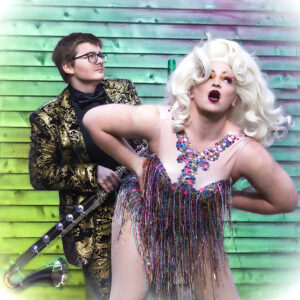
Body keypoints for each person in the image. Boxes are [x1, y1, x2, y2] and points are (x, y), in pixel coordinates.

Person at [83, 38, 298, 300]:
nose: (216, 82)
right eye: (207, 76)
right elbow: (94, 121)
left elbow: (285, 201)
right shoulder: (162, 120)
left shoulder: (245, 151)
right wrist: (137, 166)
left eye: (227, 80)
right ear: (192, 89)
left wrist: (225, 197)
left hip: (198, 224)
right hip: (141, 211)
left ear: (235, 99)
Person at [29, 32, 144, 300]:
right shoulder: (48, 117)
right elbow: (41, 174)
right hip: (93, 223)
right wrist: (92, 174)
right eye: (90, 56)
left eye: (100, 54)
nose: (99, 60)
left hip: (138, 207)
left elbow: (143, 141)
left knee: (146, 287)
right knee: (104, 294)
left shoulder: (123, 91)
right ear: (68, 67)